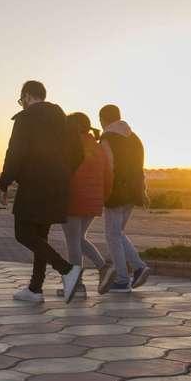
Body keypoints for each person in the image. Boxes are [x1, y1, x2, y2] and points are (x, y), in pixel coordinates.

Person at [0, 80, 84, 302]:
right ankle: (35, 289)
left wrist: (4, 182)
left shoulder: (26, 118)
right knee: (40, 236)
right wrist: (63, 173)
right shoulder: (64, 121)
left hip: (34, 185)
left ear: (27, 96)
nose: (22, 104)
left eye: (21, 100)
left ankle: (67, 270)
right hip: (58, 186)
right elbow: (79, 154)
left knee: (23, 233)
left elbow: (15, 152)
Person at [99, 104, 150, 293]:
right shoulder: (135, 138)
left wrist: (104, 192)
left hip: (116, 192)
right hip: (134, 191)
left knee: (112, 235)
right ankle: (137, 268)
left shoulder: (108, 138)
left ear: (103, 119)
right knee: (118, 233)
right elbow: (140, 168)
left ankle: (123, 278)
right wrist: (143, 191)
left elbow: (108, 166)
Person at [59, 112, 110, 298]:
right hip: (94, 199)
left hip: (74, 198)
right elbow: (108, 174)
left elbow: (63, 172)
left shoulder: (70, 145)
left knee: (73, 242)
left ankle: (78, 285)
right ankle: (103, 268)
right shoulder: (97, 146)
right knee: (79, 238)